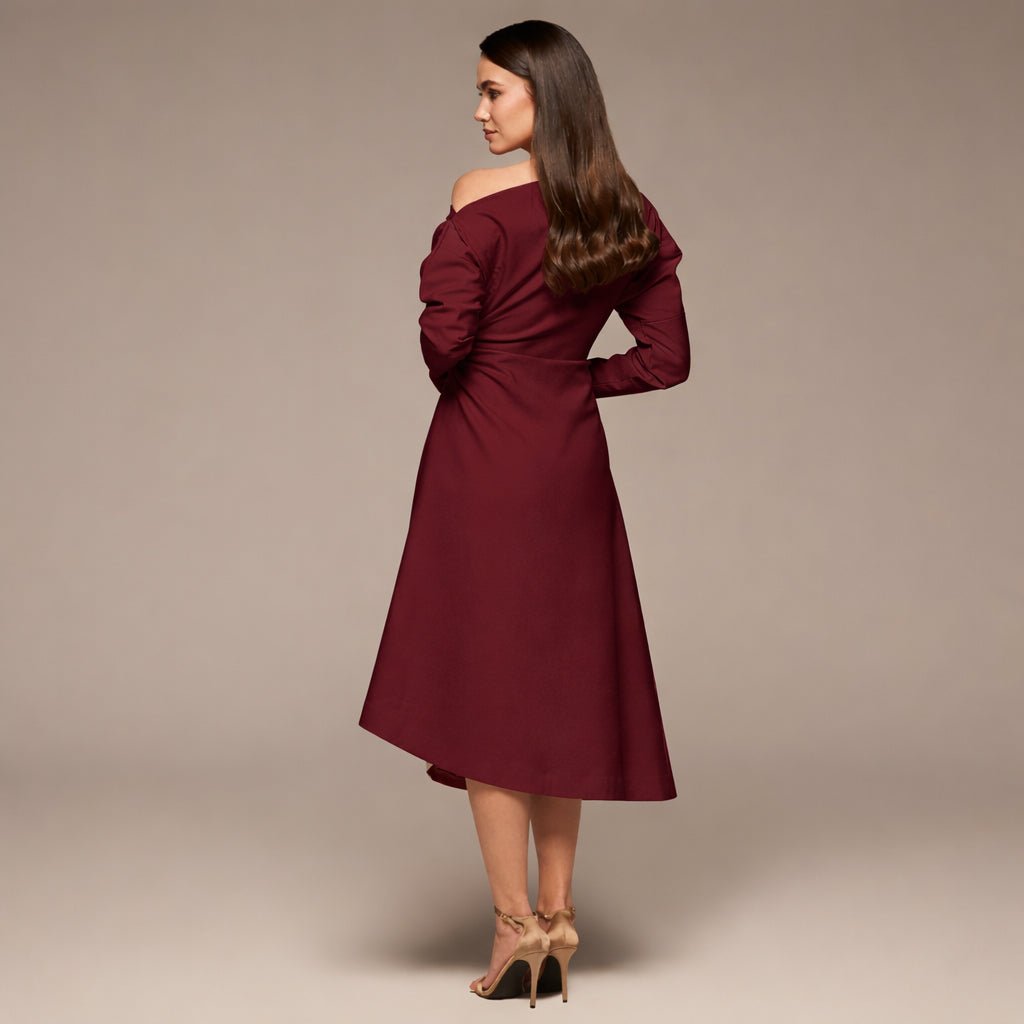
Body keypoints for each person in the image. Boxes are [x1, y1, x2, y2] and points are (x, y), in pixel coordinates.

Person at [358, 18, 690, 1005]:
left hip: (482, 461)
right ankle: (556, 914)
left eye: (493, 90)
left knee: (488, 692)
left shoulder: (478, 198)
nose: (478, 110)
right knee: (557, 685)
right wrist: (571, 379)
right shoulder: (621, 207)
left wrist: (491, 354)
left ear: (546, 96)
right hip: (569, 462)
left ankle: (514, 928)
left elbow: (444, 348)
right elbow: (666, 358)